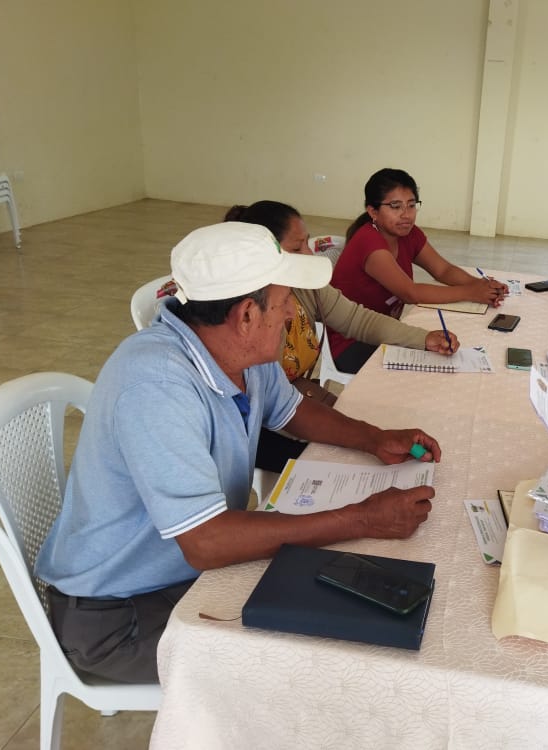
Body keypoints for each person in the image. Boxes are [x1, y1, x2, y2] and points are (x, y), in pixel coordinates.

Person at [35, 222, 442, 684]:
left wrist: (374, 438)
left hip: (184, 574)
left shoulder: (238, 351)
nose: (291, 314)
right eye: (285, 301)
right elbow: (207, 542)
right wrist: (362, 518)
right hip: (118, 612)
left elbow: (293, 411)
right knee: (305, 666)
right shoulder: (157, 386)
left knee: (351, 608)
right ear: (247, 315)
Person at [220, 201, 460, 471]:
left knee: (373, 434)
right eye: (297, 248)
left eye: (307, 243)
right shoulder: (245, 331)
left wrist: (423, 338)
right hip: (267, 429)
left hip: (297, 402)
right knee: (353, 462)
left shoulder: (302, 287)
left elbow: (356, 319)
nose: (309, 255)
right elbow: (271, 413)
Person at [329, 167, 508, 371]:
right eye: (395, 206)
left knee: (448, 350)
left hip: (386, 330)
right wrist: (471, 292)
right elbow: (410, 293)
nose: (406, 215)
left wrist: (482, 286)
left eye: (412, 205)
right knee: (439, 364)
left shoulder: (408, 234)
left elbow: (443, 270)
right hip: (351, 341)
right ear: (373, 211)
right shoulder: (369, 242)